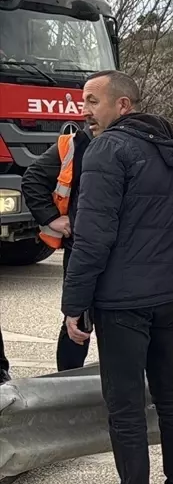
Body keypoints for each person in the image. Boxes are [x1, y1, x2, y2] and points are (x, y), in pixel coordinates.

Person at [61, 69, 173, 484]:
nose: (85, 110)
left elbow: (92, 235)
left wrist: (75, 304)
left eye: (92, 101)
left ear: (123, 106)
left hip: (123, 300)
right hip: (169, 296)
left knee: (125, 407)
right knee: (170, 395)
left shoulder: (108, 150)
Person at [20, 122, 93, 370]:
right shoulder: (74, 144)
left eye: (93, 101)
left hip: (123, 250)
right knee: (76, 322)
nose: (85, 110)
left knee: (120, 324)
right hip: (80, 247)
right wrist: (51, 218)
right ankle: (67, 388)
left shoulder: (135, 142)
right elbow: (32, 180)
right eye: (84, 101)